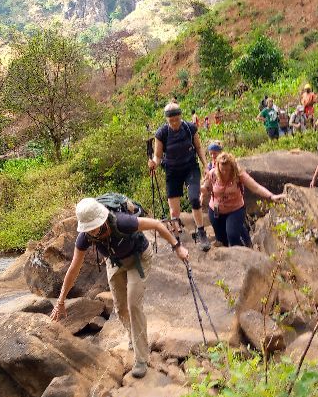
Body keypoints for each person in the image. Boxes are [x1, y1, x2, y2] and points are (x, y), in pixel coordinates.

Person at [50, 198, 189, 378]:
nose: (92, 230)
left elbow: (156, 224)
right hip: (114, 262)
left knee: (133, 304)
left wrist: (177, 247)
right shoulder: (85, 237)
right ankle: (133, 336)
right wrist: (61, 301)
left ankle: (141, 358)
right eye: (88, 228)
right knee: (121, 308)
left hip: (139, 258)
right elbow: (74, 268)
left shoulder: (122, 222)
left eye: (95, 226)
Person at [148, 103, 211, 251]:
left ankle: (201, 233)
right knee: (174, 210)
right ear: (167, 120)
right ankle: (176, 239)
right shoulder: (161, 133)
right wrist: (154, 164)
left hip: (190, 168)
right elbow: (157, 156)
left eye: (177, 119)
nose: (175, 123)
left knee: (194, 199)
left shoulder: (189, 128)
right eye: (171, 121)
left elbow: (199, 147)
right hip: (172, 171)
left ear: (181, 116)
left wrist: (205, 165)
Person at [201, 152, 284, 247]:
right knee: (221, 239)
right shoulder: (213, 174)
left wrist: (271, 196)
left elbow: (255, 187)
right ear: (218, 167)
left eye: (227, 170)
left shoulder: (238, 175)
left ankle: (241, 254)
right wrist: (197, 189)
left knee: (232, 235)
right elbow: (206, 188)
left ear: (232, 168)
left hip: (235, 210)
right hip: (215, 210)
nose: (224, 172)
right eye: (222, 169)